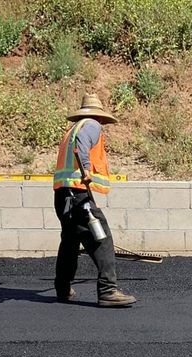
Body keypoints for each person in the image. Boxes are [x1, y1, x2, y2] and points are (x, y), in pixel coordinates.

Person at [52, 94, 137, 307]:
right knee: (102, 238)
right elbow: (82, 145)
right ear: (99, 117)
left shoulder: (72, 129)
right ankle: (108, 290)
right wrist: (87, 168)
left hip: (63, 195)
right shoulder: (91, 125)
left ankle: (62, 288)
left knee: (70, 241)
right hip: (78, 194)